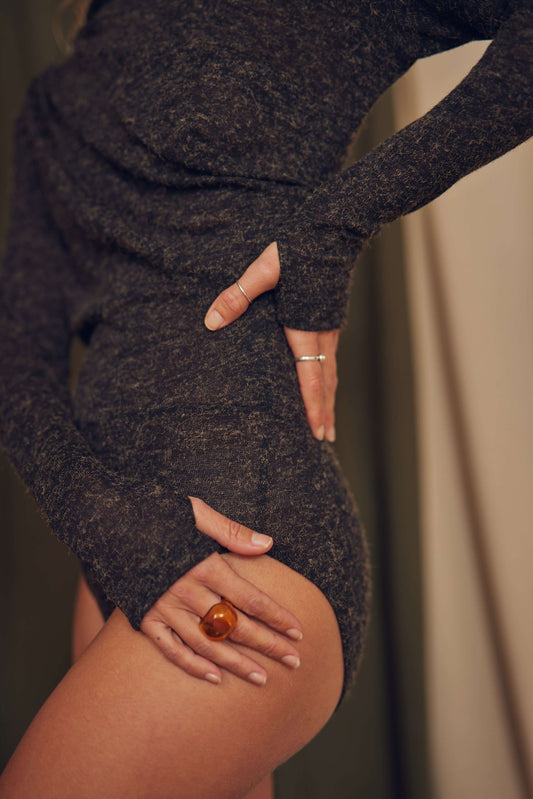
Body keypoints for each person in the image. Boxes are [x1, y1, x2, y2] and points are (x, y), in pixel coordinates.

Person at [0, 0, 531, 797]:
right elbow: (19, 359)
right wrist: (108, 522)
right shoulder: (51, 104)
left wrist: (338, 219)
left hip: (251, 547)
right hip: (121, 557)